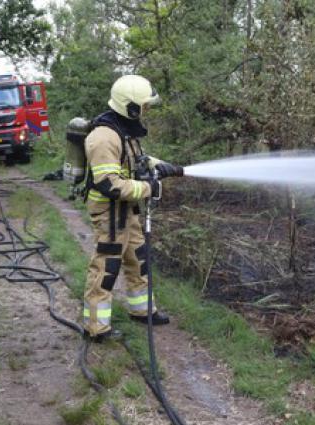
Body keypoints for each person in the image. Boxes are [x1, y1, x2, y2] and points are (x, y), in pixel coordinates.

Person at [82, 75, 184, 341]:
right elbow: (110, 185)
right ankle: (95, 327)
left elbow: (137, 160)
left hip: (126, 211)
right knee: (106, 269)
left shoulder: (123, 130)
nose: (147, 111)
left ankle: (142, 310)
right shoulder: (104, 137)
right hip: (109, 213)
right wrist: (149, 188)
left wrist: (164, 167)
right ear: (131, 107)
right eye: (144, 106)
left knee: (139, 260)